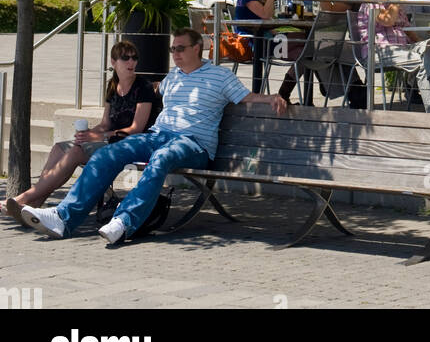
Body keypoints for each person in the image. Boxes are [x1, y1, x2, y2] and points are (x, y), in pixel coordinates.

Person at [19, 27, 286, 245]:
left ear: (197, 48)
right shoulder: (173, 77)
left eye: (180, 48)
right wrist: (123, 84)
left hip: (194, 144)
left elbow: (247, 97)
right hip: (159, 134)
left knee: (161, 157)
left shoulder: (219, 76)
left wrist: (273, 97)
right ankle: (63, 218)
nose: (175, 53)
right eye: (172, 49)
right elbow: (151, 91)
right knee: (108, 153)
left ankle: (123, 221)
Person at [2, 40, 160, 223]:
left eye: (134, 58)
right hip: (109, 140)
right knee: (60, 148)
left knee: (76, 152)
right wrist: (88, 134)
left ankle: (24, 199)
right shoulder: (112, 86)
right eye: (125, 58)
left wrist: (99, 136)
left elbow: (136, 129)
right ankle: (34, 206)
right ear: (113, 62)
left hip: (130, 144)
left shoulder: (143, 87)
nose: (131, 62)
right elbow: (105, 123)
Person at [277, 0, 375, 104]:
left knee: (311, 49)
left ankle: (284, 95)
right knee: (316, 47)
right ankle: (354, 89)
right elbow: (338, 7)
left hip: (359, 46)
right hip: (366, 41)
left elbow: (330, 14)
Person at [235, 0, 280, 95]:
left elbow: (268, 19)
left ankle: (285, 93)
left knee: (304, 45)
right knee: (304, 48)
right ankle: (284, 93)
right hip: (253, 42)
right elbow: (266, 15)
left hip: (265, 39)